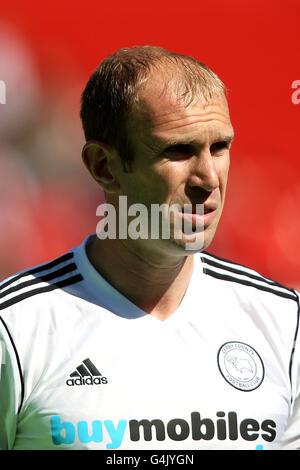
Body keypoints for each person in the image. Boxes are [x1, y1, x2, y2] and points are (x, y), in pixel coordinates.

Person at [0, 46, 299, 451]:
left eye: (220, 147)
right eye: (178, 151)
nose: (209, 179)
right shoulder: (16, 328)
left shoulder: (283, 322)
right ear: (103, 167)